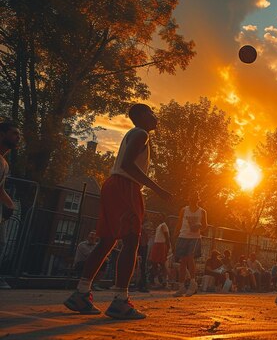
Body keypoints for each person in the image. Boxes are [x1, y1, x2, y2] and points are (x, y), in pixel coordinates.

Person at [64, 103, 172, 319]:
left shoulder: (134, 134)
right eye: (151, 112)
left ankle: (81, 293)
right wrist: (158, 189)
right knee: (131, 242)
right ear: (141, 115)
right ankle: (120, 300)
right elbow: (127, 164)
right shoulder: (141, 133)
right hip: (125, 186)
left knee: (106, 241)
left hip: (113, 184)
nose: (155, 117)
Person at [173, 191, 207, 297]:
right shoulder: (184, 210)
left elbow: (205, 226)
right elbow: (179, 224)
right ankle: (181, 286)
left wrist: (199, 226)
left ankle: (193, 284)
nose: (192, 198)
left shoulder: (202, 212)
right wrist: (174, 236)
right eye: (191, 196)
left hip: (195, 237)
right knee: (183, 261)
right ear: (188, 198)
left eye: (195, 197)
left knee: (190, 258)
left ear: (198, 199)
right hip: (183, 236)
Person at [0, 122, 20, 290]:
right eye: (14, 133)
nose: (18, 137)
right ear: (2, 134)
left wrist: (10, 204)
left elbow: (0, 189)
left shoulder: (4, 164)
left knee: (2, 242)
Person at [149, 213, 170, 288]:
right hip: (157, 244)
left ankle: (164, 281)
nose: (158, 217)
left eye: (160, 216)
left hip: (161, 245)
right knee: (154, 262)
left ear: (163, 218)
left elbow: (167, 236)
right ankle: (157, 280)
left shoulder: (163, 225)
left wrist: (168, 246)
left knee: (162, 263)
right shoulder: (158, 226)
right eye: (157, 216)